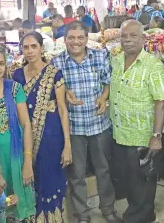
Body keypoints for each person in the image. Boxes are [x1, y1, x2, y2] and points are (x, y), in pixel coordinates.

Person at [52, 21, 121, 223]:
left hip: (99, 124)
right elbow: (55, 93)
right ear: (64, 40)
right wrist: (66, 93)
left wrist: (104, 97)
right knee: (77, 174)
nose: (76, 42)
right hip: (73, 128)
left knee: (104, 170)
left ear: (86, 39)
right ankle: (82, 214)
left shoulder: (99, 56)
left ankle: (108, 209)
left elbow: (108, 82)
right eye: (71, 38)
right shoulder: (57, 63)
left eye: (80, 37)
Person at [110, 20, 164, 223]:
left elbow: (161, 102)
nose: (127, 40)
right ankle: (144, 214)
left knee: (143, 182)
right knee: (129, 181)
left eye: (133, 36)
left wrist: (156, 136)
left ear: (143, 39)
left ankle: (137, 217)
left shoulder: (153, 65)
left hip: (142, 137)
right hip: (120, 134)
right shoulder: (116, 60)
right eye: (124, 36)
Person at [12, 31, 72, 222]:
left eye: (33, 46)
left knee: (51, 178)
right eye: (26, 47)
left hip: (52, 136)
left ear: (41, 48)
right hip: (25, 137)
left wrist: (67, 145)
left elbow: (62, 110)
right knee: (31, 179)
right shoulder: (16, 76)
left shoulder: (54, 74)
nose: (29, 51)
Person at [0, 45, 36, 222]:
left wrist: (27, 162)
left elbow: (26, 124)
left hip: (16, 156)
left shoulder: (14, 88)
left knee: (20, 209)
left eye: (1, 64)